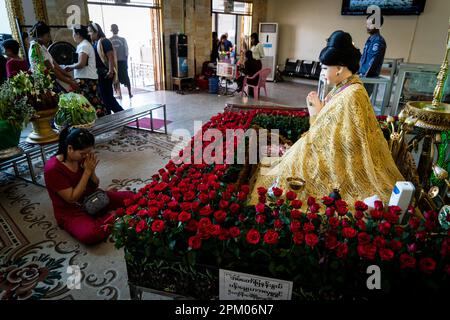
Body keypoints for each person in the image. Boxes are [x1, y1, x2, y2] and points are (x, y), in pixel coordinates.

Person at [249, 30, 403, 205]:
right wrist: (319, 110)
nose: (321, 72)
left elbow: (326, 137)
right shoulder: (347, 85)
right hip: (330, 151)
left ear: (339, 68)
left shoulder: (351, 94)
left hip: (340, 162)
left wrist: (315, 112)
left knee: (287, 174)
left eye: (324, 68)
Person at [44, 127, 134, 245]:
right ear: (70, 148)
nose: (86, 156)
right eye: (83, 153)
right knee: (91, 234)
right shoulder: (53, 169)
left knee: (133, 198)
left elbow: (94, 185)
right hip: (71, 211)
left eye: (88, 152)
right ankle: (113, 215)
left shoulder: (81, 158)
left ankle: (105, 215)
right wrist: (87, 172)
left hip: (92, 198)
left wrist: (91, 172)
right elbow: (72, 198)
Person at [64, 25, 107, 117]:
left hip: (87, 80)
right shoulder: (84, 44)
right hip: (88, 78)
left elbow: (81, 63)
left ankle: (100, 126)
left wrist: (69, 67)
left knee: (90, 105)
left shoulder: (83, 45)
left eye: (73, 34)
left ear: (78, 34)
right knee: (93, 104)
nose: (73, 36)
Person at [28, 21, 78, 92]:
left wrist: (68, 76)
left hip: (50, 78)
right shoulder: (36, 48)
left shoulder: (41, 46)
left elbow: (54, 64)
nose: (49, 39)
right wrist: (70, 81)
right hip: (44, 83)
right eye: (47, 36)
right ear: (40, 36)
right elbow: (52, 70)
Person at [88, 22, 124, 114]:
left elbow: (110, 56)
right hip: (100, 74)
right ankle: (109, 118)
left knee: (108, 98)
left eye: (90, 32)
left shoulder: (104, 41)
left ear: (96, 32)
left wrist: (111, 71)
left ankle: (123, 115)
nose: (89, 34)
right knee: (104, 99)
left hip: (106, 73)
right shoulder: (95, 43)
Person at [359, 14, 386, 97]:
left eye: (370, 24)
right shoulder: (370, 39)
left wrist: (365, 78)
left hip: (367, 78)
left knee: (362, 101)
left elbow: (374, 61)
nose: (367, 26)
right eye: (367, 24)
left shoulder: (378, 41)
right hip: (362, 76)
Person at [110, 24, 132, 98]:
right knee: (126, 77)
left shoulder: (109, 40)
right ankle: (129, 93)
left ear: (111, 30)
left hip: (114, 63)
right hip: (122, 61)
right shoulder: (123, 39)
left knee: (116, 78)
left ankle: (119, 94)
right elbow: (126, 52)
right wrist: (126, 62)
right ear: (117, 30)